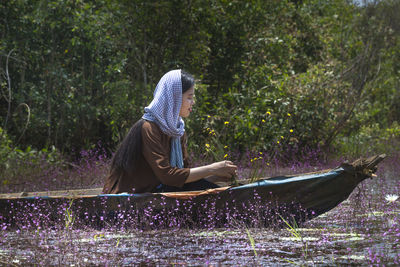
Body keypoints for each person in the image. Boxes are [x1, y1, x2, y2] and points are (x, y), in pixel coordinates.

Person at [103, 69, 237, 194]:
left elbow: (182, 176)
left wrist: (215, 176)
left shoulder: (177, 130)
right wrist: (212, 168)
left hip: (157, 194)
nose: (193, 102)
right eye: (189, 97)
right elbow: (167, 176)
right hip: (124, 201)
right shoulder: (148, 128)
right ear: (174, 98)